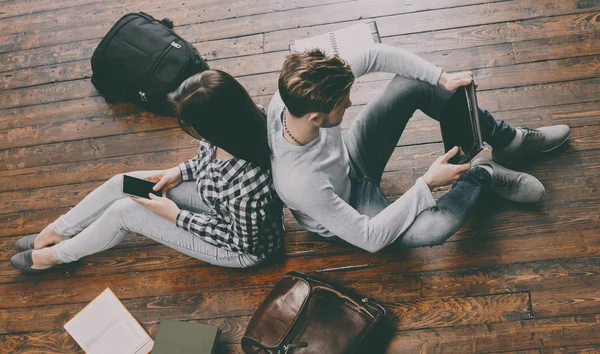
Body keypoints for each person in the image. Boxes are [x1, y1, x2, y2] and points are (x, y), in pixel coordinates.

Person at [267, 44, 570, 253]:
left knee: (416, 83)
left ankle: (509, 141)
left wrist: (441, 77)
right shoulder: (299, 183)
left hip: (351, 158)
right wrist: (426, 184)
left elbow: (373, 54)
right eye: (342, 102)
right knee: (436, 228)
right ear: (316, 118)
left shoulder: (303, 87)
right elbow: (369, 237)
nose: (349, 102)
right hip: (350, 210)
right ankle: (483, 174)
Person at [10, 70, 284, 273]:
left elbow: (240, 240)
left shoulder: (246, 186)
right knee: (125, 183)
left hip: (238, 248)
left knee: (124, 212)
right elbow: (209, 162)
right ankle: (58, 230)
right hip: (215, 201)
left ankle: (56, 256)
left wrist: (175, 215)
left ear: (214, 125)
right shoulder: (240, 121)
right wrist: (178, 171)